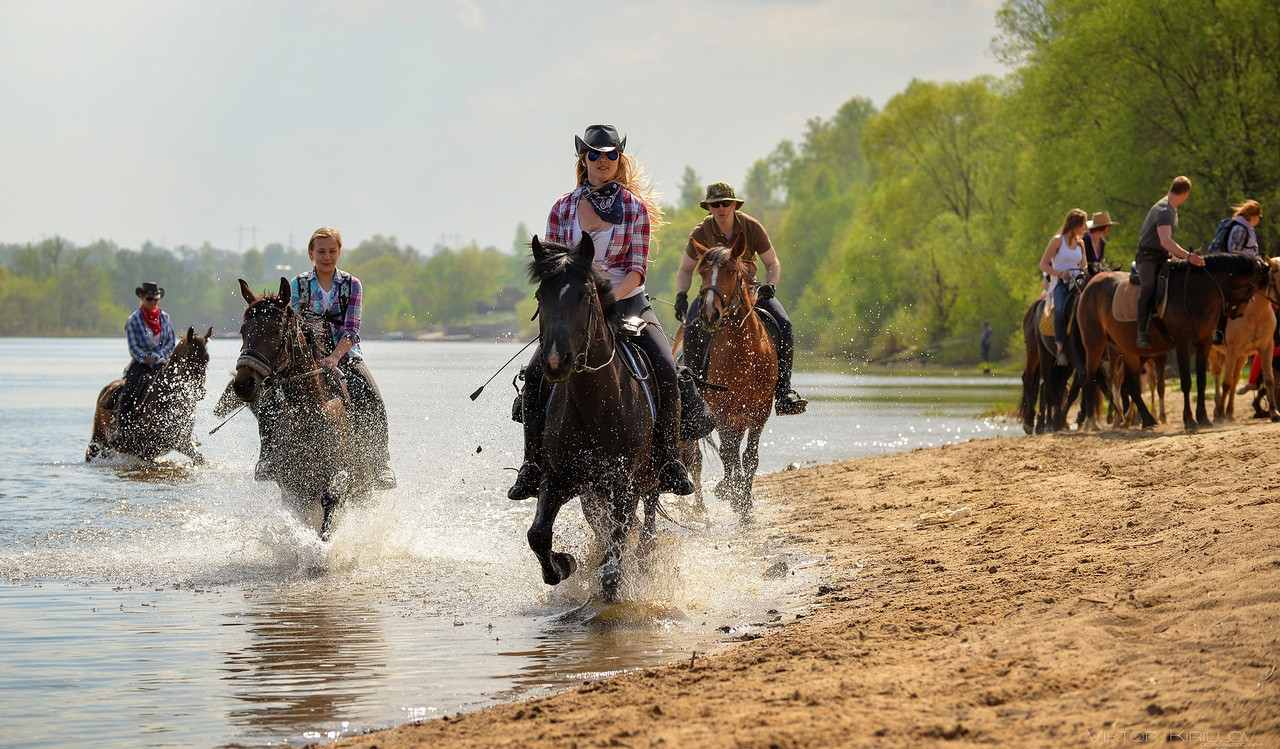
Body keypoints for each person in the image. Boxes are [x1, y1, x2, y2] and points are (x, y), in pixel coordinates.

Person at [507, 124, 696, 501]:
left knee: (666, 369)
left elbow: (637, 271)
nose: (603, 161)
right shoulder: (562, 208)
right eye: (595, 154)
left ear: (618, 159)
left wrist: (604, 298)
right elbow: (554, 268)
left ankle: (669, 461)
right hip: (576, 307)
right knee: (534, 375)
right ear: (584, 159)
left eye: (611, 154)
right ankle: (531, 465)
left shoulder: (634, 208)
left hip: (627, 300)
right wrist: (575, 300)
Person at [255, 227, 396, 489]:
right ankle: (267, 458)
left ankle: (381, 464)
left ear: (339, 252)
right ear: (311, 253)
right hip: (305, 356)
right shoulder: (298, 285)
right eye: (321, 251)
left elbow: (352, 329)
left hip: (345, 354)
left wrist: (333, 357)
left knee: (372, 396)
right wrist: (311, 355)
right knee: (269, 396)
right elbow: (293, 324)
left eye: (332, 251)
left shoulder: (352, 285)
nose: (327, 257)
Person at [673, 182, 808, 415]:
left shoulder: (751, 227)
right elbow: (686, 269)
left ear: (734, 204)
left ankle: (784, 390)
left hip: (750, 291)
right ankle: (693, 395)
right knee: (692, 328)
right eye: (715, 205)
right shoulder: (700, 233)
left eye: (726, 203)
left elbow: (772, 263)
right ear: (709, 207)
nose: (721, 208)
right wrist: (681, 296)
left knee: (784, 324)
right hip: (713, 294)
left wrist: (771, 286)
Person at [1135, 176, 1204, 349]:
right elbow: (1165, 241)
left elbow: (1166, 245)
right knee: (1149, 285)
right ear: (1185, 194)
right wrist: (1188, 256)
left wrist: (1180, 257)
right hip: (1148, 257)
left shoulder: (1172, 210)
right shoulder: (1165, 210)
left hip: (1162, 257)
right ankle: (1141, 331)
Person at [116, 281, 176, 441]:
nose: (153, 302)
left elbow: (171, 342)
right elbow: (133, 347)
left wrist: (159, 355)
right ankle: (121, 431)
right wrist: (146, 357)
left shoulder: (165, 318)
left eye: (155, 299)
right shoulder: (133, 320)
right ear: (141, 297)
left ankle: (180, 431)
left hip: (162, 362)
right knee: (128, 392)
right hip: (140, 364)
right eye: (149, 299)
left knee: (177, 390)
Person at [1037, 208, 1089, 366]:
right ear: (1075, 225)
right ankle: (1059, 348)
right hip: (1061, 282)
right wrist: (1060, 274)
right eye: (1084, 224)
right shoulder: (1057, 241)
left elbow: (1084, 265)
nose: (1086, 227)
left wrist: (1090, 272)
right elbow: (1043, 265)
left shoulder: (1081, 243)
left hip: (1078, 281)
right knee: (1059, 309)